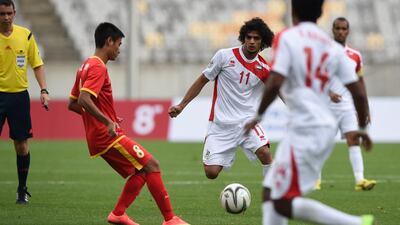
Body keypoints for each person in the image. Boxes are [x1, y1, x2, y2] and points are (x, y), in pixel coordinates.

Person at [244, 0, 375, 224]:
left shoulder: (288, 37)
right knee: (270, 192)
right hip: (320, 126)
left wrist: (258, 116)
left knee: (281, 201)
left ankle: (354, 223)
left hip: (306, 129)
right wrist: (362, 128)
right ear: (321, 13)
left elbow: (275, 81)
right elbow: (360, 93)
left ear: (293, 11)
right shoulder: (332, 47)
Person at [68, 22, 189, 225]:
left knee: (141, 171)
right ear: (109, 41)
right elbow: (83, 100)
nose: (119, 49)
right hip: (106, 136)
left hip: (100, 135)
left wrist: (104, 117)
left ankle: (118, 214)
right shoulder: (98, 67)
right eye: (119, 44)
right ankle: (170, 220)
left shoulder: (85, 66)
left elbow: (72, 103)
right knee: (152, 164)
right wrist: (106, 121)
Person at [168, 17, 274, 180]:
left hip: (247, 122)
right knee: (211, 173)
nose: (252, 41)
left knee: (265, 153)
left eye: (256, 38)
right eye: (249, 37)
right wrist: (181, 105)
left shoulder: (265, 68)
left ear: (262, 42)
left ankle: (272, 191)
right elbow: (202, 80)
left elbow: (278, 89)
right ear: (243, 38)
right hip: (220, 124)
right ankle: (228, 152)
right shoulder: (224, 56)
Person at [316, 17, 376, 191]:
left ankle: (360, 180)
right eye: (338, 28)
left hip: (348, 106)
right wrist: (328, 92)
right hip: (327, 105)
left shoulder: (355, 55)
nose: (341, 31)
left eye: (344, 28)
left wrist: (365, 107)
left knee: (353, 139)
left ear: (348, 31)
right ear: (333, 30)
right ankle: (316, 180)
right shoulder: (325, 53)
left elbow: (360, 82)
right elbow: (316, 77)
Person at [0, 0, 50, 204]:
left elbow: (37, 64)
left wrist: (44, 90)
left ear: (14, 12)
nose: (5, 17)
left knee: (21, 145)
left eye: (8, 13)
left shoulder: (25, 35)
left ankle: (22, 189)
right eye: (1, 14)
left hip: (19, 96)